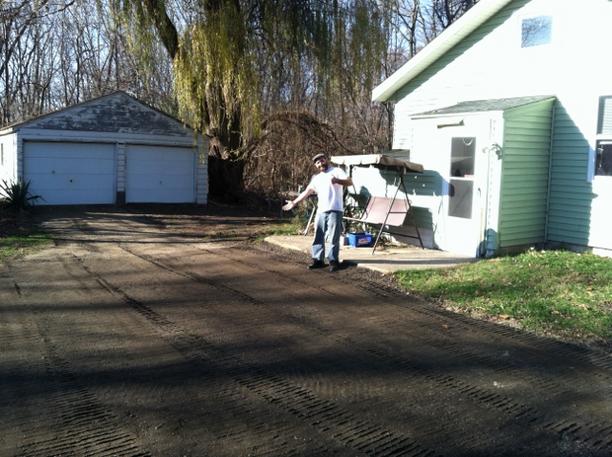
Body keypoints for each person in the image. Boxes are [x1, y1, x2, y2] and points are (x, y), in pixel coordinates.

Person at [282, 153, 352, 272]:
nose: (320, 163)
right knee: (318, 235)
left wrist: (337, 180)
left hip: (335, 209)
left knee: (333, 237)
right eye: (317, 162)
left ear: (326, 160)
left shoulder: (336, 171)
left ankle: (333, 261)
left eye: (322, 160)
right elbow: (307, 191)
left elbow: (349, 182)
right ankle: (318, 260)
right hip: (321, 211)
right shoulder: (317, 178)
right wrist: (294, 202)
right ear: (316, 165)